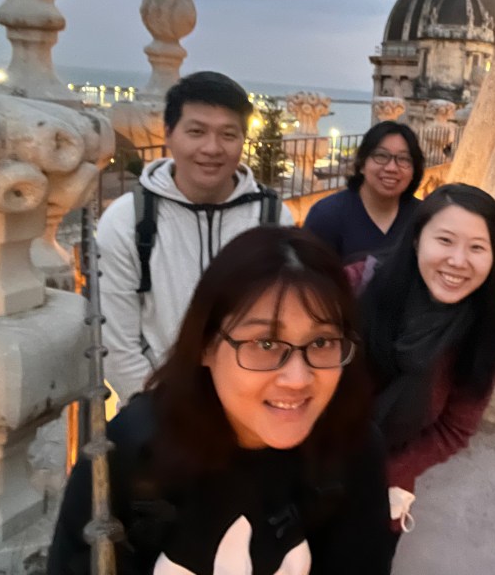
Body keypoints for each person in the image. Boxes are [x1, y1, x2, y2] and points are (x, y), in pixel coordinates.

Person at [49, 227, 393, 574]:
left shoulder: (353, 450)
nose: (298, 379)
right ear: (205, 345)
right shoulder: (129, 453)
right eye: (265, 344)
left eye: (321, 343)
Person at [97, 71, 293, 403]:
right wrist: (162, 410)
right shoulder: (129, 220)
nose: (212, 148)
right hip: (161, 406)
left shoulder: (272, 218)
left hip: (252, 404)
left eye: (228, 134)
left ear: (243, 139)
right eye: (196, 132)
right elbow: (117, 345)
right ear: (169, 134)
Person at [348, 183, 495, 537]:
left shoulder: (483, 334)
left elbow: (454, 429)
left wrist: (377, 474)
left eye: (477, 247)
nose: (458, 261)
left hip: (381, 487)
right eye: (445, 240)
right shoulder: (356, 287)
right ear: (417, 239)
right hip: (302, 464)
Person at [303, 120, 425, 262]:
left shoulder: (423, 218)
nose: (391, 168)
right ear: (362, 164)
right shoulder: (327, 216)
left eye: (403, 159)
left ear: (414, 171)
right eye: (381, 156)